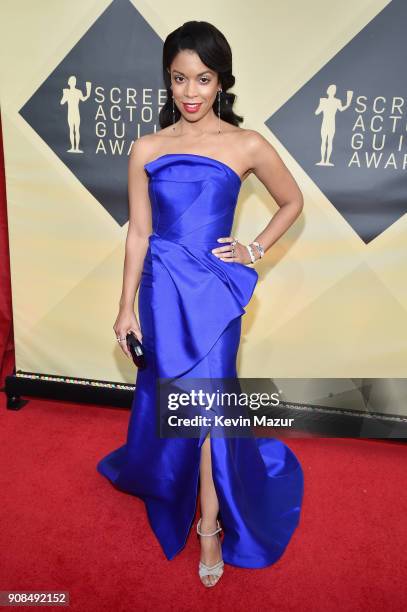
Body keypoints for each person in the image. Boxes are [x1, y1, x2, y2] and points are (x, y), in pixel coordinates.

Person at [97, 20, 304, 588]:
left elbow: (292, 201)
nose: (191, 92)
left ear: (221, 82)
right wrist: (125, 306)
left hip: (215, 291)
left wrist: (253, 248)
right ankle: (172, 483)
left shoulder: (246, 143)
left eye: (203, 79)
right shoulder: (147, 147)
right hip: (163, 292)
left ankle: (210, 523)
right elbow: (139, 233)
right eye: (180, 79)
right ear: (168, 81)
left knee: (210, 409)